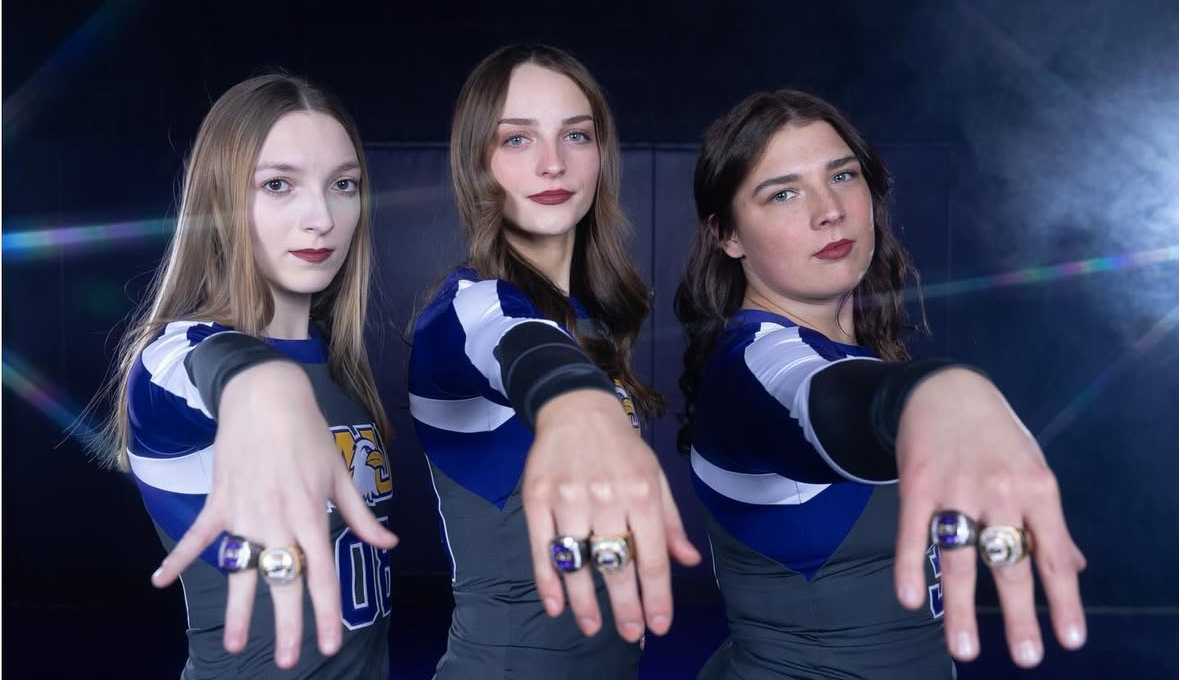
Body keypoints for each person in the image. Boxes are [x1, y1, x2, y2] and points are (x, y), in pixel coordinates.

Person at [674, 89, 1088, 678]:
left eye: (842, 176)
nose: (829, 210)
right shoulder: (756, 364)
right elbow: (822, 399)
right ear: (729, 236)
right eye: (784, 193)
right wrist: (943, 390)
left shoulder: (857, 352)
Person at [408, 44, 701, 678]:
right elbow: (520, 348)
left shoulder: (584, 316)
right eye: (517, 140)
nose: (553, 163)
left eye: (577, 135)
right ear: (477, 161)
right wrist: (580, 407)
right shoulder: (469, 309)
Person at [93, 73, 399, 677]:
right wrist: (269, 387)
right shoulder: (170, 358)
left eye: (343, 185)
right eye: (279, 185)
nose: (320, 217)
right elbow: (222, 368)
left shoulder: (343, 376)